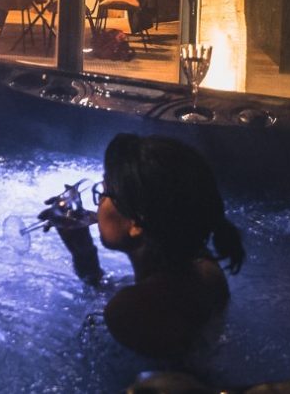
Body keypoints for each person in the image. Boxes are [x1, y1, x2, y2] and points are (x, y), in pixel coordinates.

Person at [71, 133, 246, 360]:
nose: (98, 204)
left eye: (104, 193)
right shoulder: (202, 266)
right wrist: (82, 248)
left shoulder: (128, 312)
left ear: (136, 223)